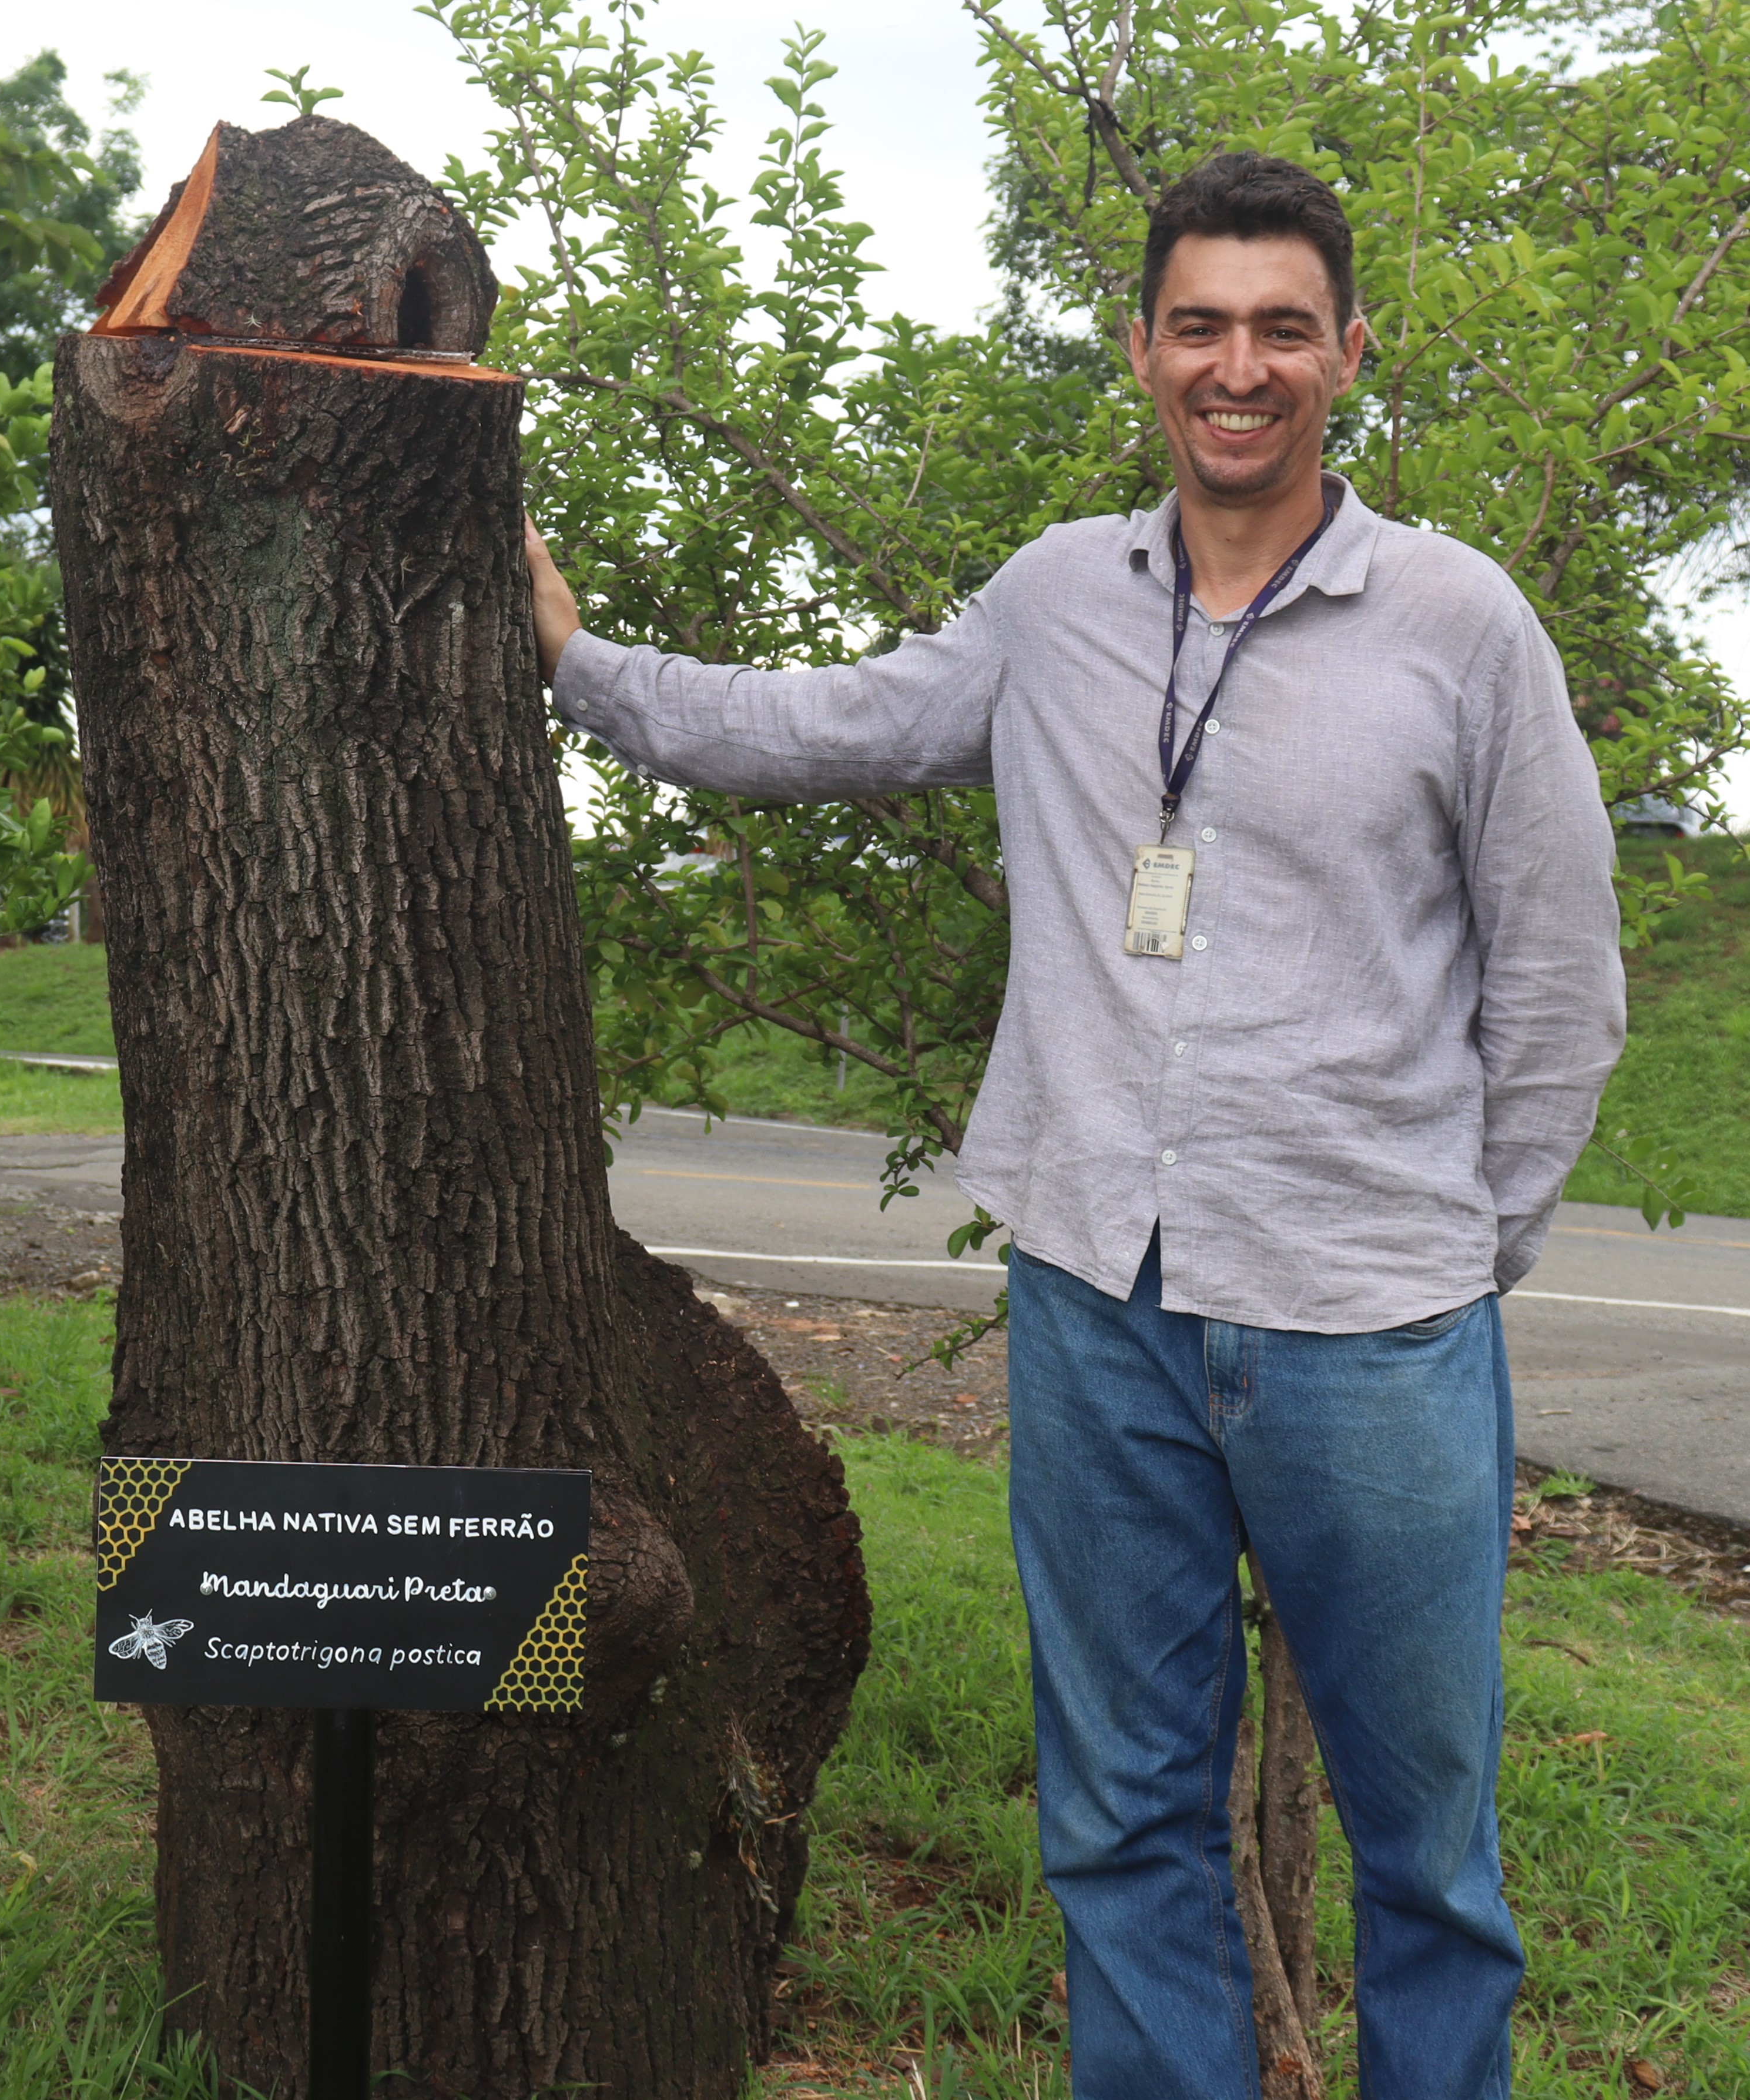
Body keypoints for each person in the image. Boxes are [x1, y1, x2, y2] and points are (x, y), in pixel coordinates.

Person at [526, 153, 1623, 2099]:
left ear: (1346, 355)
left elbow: (1558, 991)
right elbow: (821, 728)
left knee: (1426, 1861)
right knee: (1120, 1826)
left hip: (1369, 1333)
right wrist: (579, 667)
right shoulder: (1053, 602)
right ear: (1139, 351)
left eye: (1282, 328)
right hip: (1095, 1309)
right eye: (1198, 324)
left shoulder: (1460, 626)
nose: (1238, 365)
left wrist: (1448, 1252)